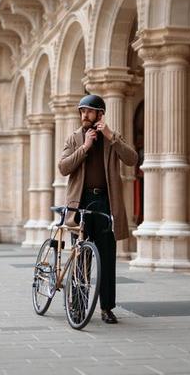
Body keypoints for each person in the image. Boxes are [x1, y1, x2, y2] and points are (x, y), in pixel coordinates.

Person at [58, 94, 138, 324]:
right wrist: (85, 147)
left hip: (104, 203)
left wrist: (112, 137)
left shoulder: (111, 138)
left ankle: (106, 308)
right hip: (80, 204)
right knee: (81, 256)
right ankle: (78, 307)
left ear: (100, 114)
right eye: (82, 111)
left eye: (89, 111)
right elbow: (63, 168)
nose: (84, 115)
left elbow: (132, 159)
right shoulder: (74, 138)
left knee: (106, 257)